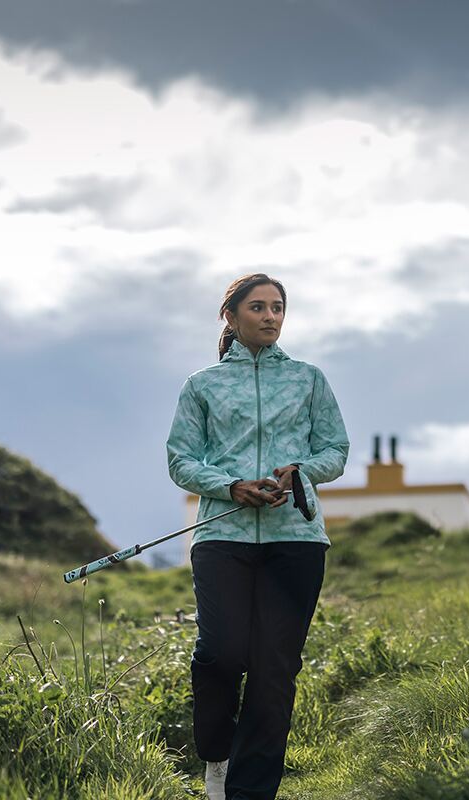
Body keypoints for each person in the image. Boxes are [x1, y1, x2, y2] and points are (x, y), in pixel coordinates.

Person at [166, 273, 349, 800]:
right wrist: (230, 486)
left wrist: (302, 470)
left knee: (274, 671)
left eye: (278, 308)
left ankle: (250, 793)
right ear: (231, 316)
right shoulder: (201, 385)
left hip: (297, 539)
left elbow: (335, 449)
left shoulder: (309, 379)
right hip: (221, 538)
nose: (270, 316)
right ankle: (216, 759)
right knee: (222, 654)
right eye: (258, 307)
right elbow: (180, 459)